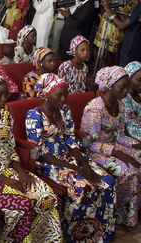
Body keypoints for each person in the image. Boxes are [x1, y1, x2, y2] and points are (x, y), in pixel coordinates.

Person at [0, 69, 63, 242]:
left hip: (10, 169)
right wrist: (6, 181)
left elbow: (11, 149)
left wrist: (22, 173)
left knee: (49, 197)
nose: (4, 99)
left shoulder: (6, 116)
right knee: (23, 207)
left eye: (6, 94)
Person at [26, 73, 116, 242]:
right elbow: (41, 153)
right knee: (81, 187)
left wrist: (84, 163)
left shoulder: (64, 110)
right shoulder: (34, 115)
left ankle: (101, 233)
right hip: (48, 162)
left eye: (66, 94)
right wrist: (76, 169)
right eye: (59, 94)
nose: (64, 99)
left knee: (106, 181)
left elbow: (70, 139)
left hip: (69, 156)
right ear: (46, 93)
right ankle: (76, 235)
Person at [81, 66, 141, 227]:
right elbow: (89, 143)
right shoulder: (94, 109)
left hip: (113, 146)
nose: (127, 91)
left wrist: (135, 144)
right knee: (130, 170)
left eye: (128, 86)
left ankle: (135, 208)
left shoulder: (120, 105)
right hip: (95, 153)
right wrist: (118, 153)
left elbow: (120, 134)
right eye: (123, 87)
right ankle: (122, 215)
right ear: (109, 85)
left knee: (138, 158)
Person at [101, 0, 141, 66]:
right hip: (131, 46)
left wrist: (109, 10)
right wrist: (118, 13)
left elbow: (122, 25)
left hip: (131, 48)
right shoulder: (138, 6)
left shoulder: (139, 9)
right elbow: (129, 24)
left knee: (125, 72)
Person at [124, 61, 141, 142]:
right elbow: (131, 129)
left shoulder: (139, 94)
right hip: (131, 139)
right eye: (139, 80)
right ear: (129, 78)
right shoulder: (124, 98)